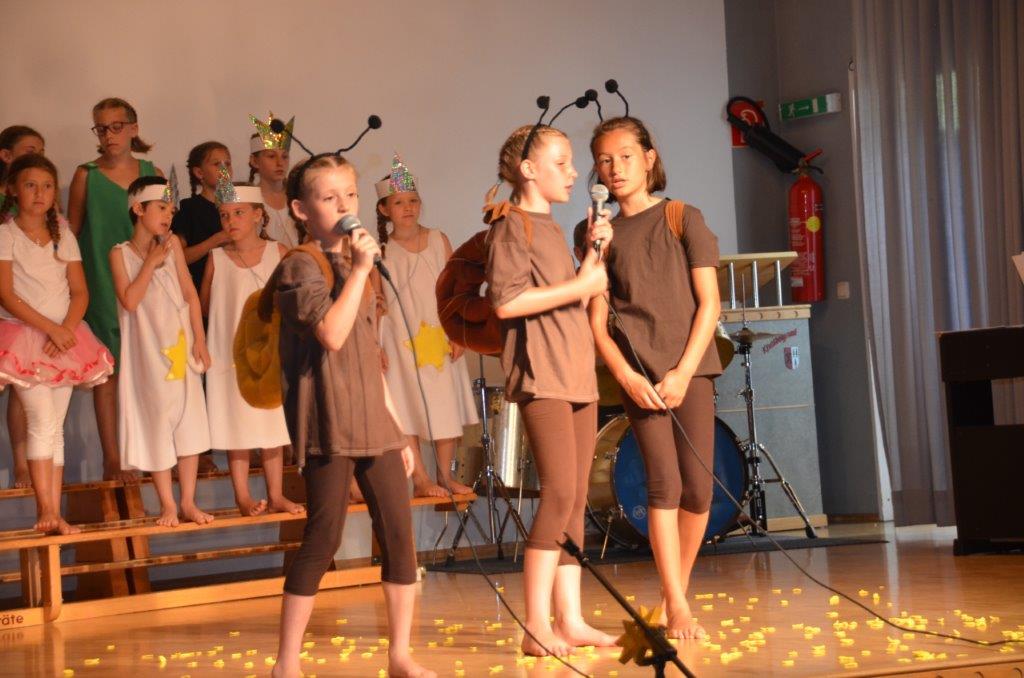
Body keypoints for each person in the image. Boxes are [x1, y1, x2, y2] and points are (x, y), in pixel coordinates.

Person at [270, 153, 433, 678]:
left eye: (351, 195)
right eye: (329, 197)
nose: (344, 206)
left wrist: (397, 426)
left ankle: (400, 655)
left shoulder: (360, 266)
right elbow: (332, 335)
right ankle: (287, 662)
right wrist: (360, 270)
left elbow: (369, 351)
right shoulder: (300, 266)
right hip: (329, 421)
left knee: (400, 534)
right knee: (324, 536)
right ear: (301, 209)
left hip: (373, 418)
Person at [587, 116, 722, 639]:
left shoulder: (682, 217)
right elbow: (597, 319)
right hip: (638, 374)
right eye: (604, 160)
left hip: (691, 369)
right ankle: (679, 606)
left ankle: (672, 596)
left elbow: (709, 304)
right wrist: (625, 374)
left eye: (625, 156)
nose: (615, 168)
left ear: (648, 158)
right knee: (663, 484)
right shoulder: (596, 232)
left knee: (699, 489)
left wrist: (684, 372)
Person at [484, 123, 615, 656]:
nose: (575, 172)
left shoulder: (553, 227)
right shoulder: (510, 226)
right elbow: (506, 302)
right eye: (561, 163)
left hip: (575, 369)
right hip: (543, 374)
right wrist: (581, 283)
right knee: (559, 492)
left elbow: (572, 298)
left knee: (577, 498)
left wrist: (593, 258)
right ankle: (536, 622)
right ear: (528, 170)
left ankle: (571, 619)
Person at [0, 154, 114, 533]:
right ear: (13, 190)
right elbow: (6, 294)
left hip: (65, 340)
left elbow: (79, 291)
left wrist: (66, 329)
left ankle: (55, 512)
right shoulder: (5, 235)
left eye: (47, 186)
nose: (40, 193)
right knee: (41, 420)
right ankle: (45, 509)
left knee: (56, 427)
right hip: (26, 337)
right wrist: (50, 328)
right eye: (30, 185)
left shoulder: (64, 235)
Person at [68, 97, 161, 482]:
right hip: (102, 283)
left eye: (117, 126)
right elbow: (71, 233)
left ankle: (151, 451)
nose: (109, 135)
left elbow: (161, 228)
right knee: (108, 371)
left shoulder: (151, 172)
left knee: (148, 364)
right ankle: (112, 457)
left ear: (134, 129)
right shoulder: (86, 175)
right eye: (102, 128)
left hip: (146, 279)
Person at [111, 176, 214, 527]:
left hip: (181, 348)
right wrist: (150, 263)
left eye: (171, 209)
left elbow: (189, 294)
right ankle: (167, 504)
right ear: (139, 209)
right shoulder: (119, 253)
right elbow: (130, 300)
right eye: (161, 208)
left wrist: (200, 339)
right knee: (157, 423)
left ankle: (187, 502)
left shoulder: (173, 249)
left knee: (189, 423)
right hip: (149, 354)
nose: (169, 215)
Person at [376, 153, 478, 497]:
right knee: (406, 403)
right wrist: (376, 345)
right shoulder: (380, 250)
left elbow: (456, 288)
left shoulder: (438, 239)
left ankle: (445, 475)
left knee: (444, 401)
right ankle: (420, 478)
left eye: (413, 201)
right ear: (384, 209)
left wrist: (459, 331)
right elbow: (376, 301)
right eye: (399, 202)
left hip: (439, 332)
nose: (408, 208)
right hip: (399, 338)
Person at [200, 172, 299, 517]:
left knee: (271, 423)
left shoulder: (278, 252)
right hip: (230, 355)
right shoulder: (216, 259)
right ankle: (242, 496)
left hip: (269, 354)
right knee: (235, 423)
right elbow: (205, 306)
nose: (230, 221)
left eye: (239, 213)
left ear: (258, 214)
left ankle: (276, 494)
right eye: (224, 215)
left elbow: (293, 300)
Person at [0, 124, 47, 489]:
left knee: (24, 387)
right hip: (9, 302)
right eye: (32, 150)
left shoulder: (43, 211)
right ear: (6, 156)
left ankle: (25, 463)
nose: (39, 156)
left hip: (30, 307)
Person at [248, 113, 300, 248]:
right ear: (254, 161)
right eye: (271, 156)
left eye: (284, 157)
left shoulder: (298, 197)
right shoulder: (248, 201)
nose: (280, 163)